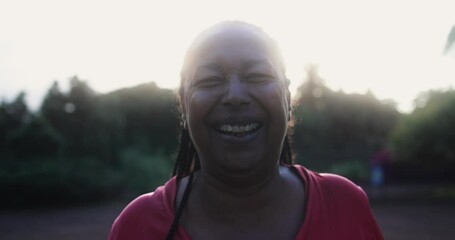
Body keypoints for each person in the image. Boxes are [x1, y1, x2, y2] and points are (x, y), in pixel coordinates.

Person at [108, 21, 384, 240]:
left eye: (257, 76)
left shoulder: (344, 205)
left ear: (287, 99)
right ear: (184, 104)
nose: (235, 95)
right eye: (210, 79)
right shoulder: (138, 226)